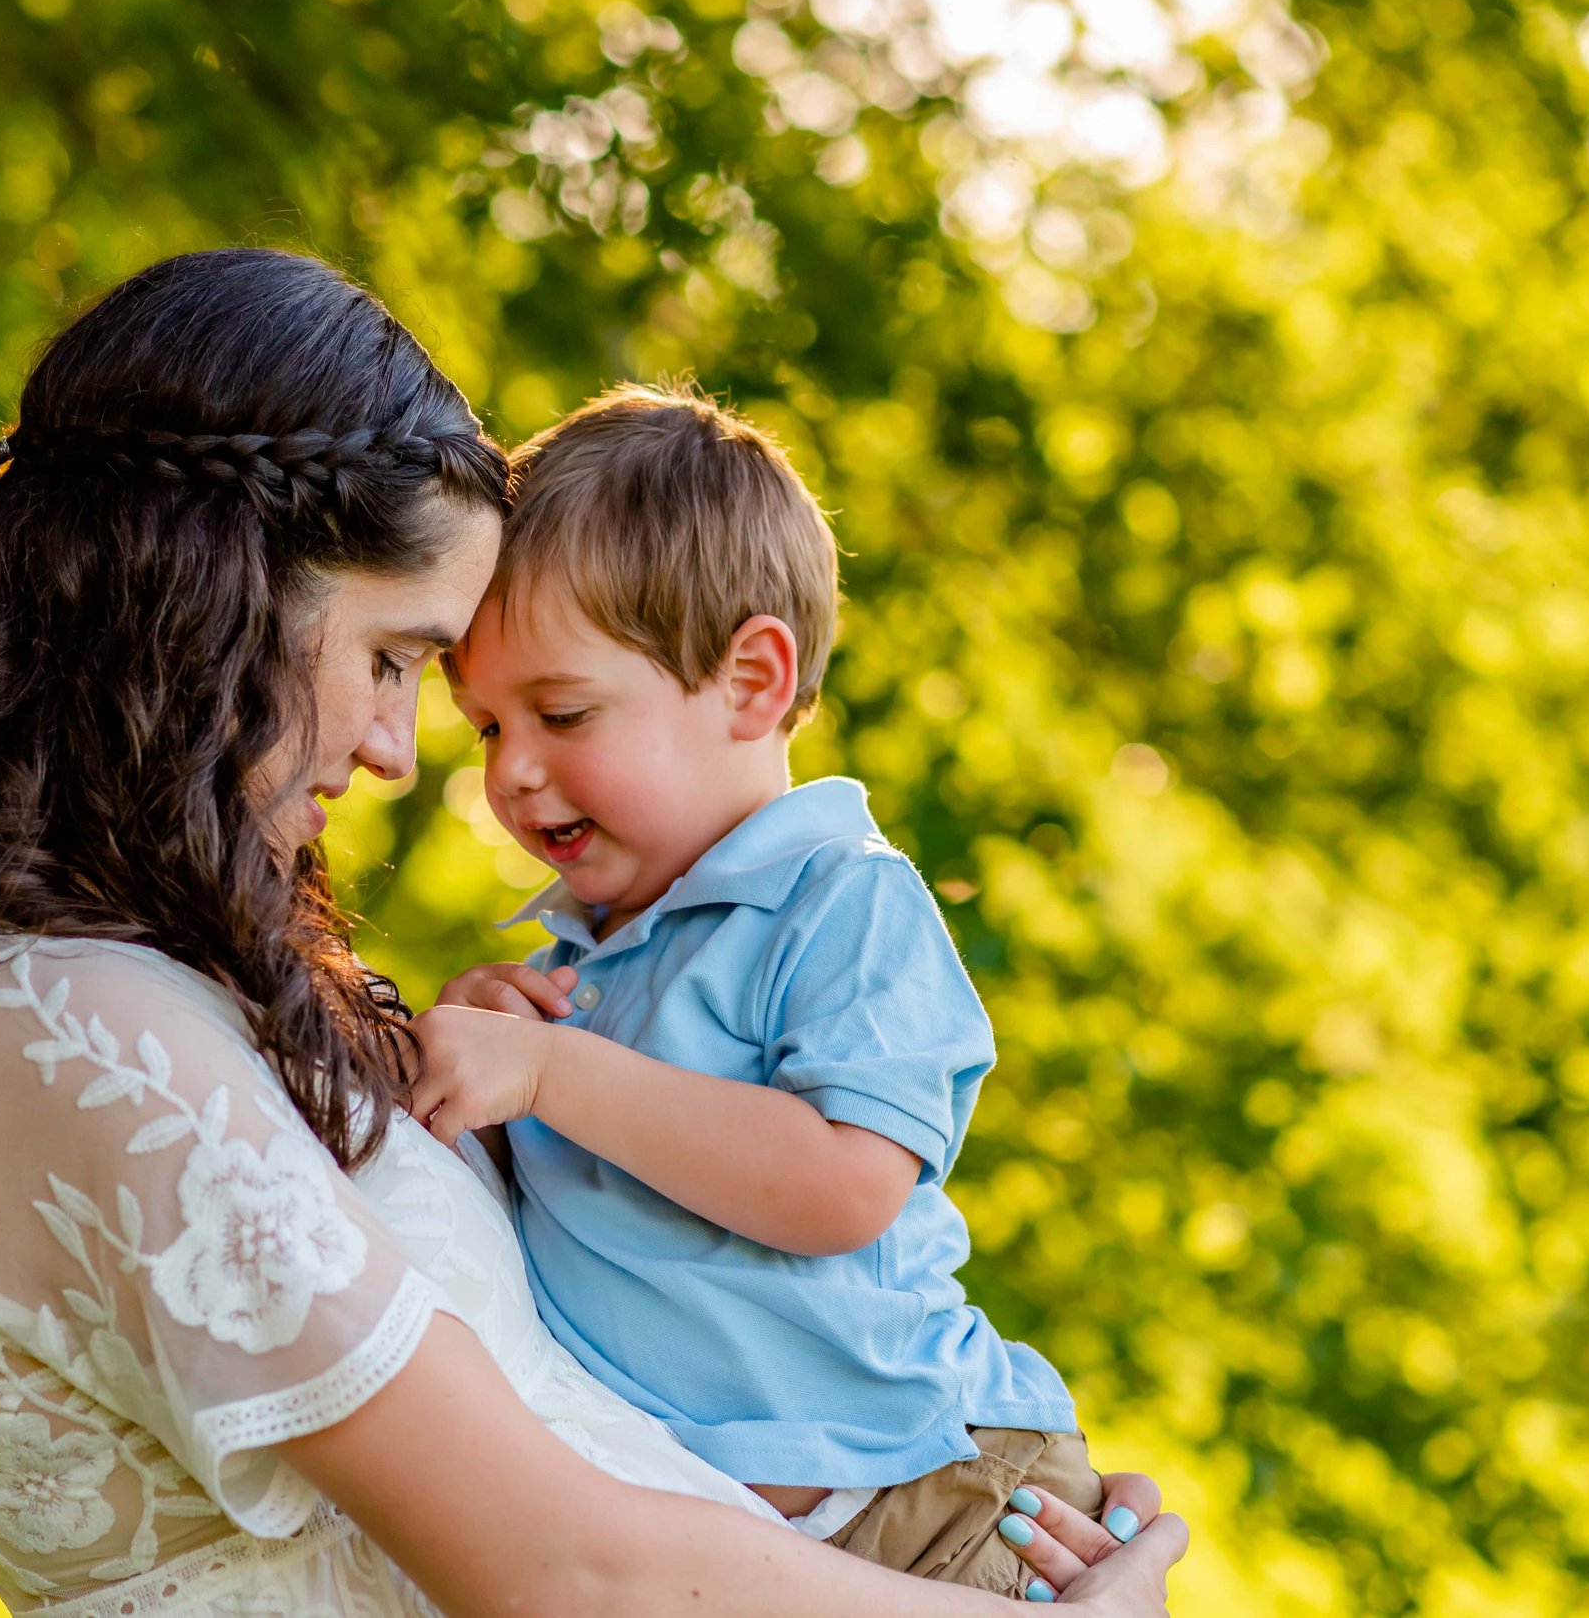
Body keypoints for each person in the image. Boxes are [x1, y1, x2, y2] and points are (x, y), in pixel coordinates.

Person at [0, 247, 1186, 1615]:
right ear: (209, 610)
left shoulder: (139, 988)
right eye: (398, 662)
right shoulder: (64, 1025)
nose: (406, 754)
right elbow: (565, 1567)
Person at [414, 384, 1123, 1598]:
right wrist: (498, 1042)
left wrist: (550, 1073)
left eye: (561, 711)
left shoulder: (839, 900)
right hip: (749, 1544)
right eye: (482, 726)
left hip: (933, 1495)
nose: (511, 773)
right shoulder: (578, 960)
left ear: (751, 680)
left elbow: (844, 1182)